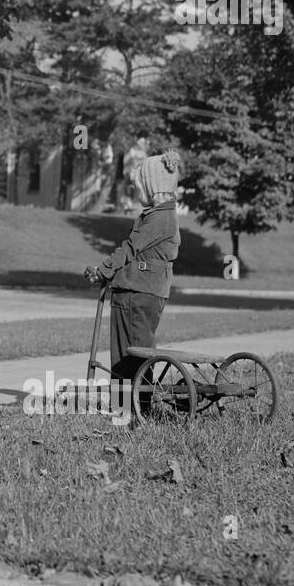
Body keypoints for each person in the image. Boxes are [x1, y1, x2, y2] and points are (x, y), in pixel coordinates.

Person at [84, 149, 183, 406]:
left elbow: (130, 248)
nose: (135, 192)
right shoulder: (162, 215)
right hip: (144, 290)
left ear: (152, 186)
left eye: (138, 186)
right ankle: (135, 404)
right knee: (138, 349)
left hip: (136, 292)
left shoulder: (159, 219)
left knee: (129, 352)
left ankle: (130, 406)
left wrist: (103, 270)